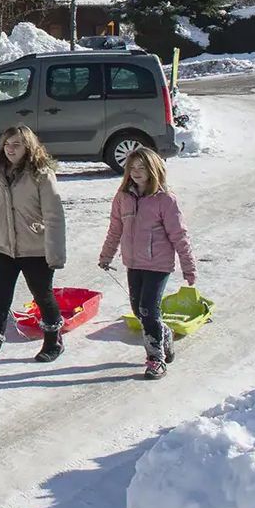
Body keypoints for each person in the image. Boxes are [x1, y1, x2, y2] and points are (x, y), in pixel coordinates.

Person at [0, 125, 68, 373]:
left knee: (42, 296)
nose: (10, 149)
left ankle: (53, 341)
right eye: (7, 144)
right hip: (3, 248)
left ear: (28, 147)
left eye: (16, 145)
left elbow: (54, 216)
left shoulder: (41, 175)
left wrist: (55, 254)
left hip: (35, 249)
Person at [97, 147, 196, 380]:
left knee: (148, 309)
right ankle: (164, 333)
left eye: (142, 167)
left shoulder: (165, 200)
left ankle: (155, 359)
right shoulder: (123, 197)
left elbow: (179, 235)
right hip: (134, 262)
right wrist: (106, 255)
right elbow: (115, 229)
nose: (136, 172)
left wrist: (188, 266)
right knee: (138, 310)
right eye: (132, 168)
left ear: (154, 169)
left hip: (158, 264)